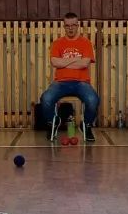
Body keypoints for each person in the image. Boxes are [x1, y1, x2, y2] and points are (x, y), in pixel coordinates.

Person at [39, 12, 98, 143]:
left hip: (81, 83)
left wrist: (64, 63)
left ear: (78, 26)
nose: (70, 28)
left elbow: (84, 64)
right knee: (46, 98)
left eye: (73, 25)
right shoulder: (58, 43)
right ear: (64, 26)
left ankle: (86, 125)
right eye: (67, 26)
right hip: (60, 83)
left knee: (93, 99)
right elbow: (55, 62)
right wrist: (76, 59)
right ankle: (53, 123)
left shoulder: (85, 43)